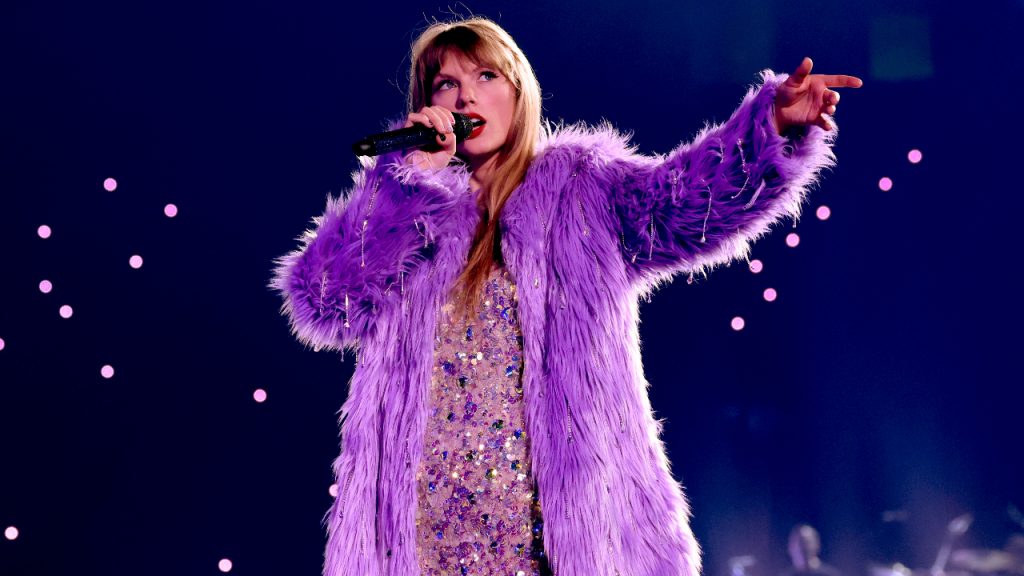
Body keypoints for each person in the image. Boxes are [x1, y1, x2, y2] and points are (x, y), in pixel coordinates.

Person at [269, 15, 862, 576]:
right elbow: (323, 300)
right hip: (424, 543)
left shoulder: (582, 188)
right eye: (446, 83)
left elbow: (684, 202)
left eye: (485, 75)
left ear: (519, 92)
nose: (465, 96)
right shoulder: (412, 213)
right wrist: (405, 187)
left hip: (560, 543)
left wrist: (769, 127)